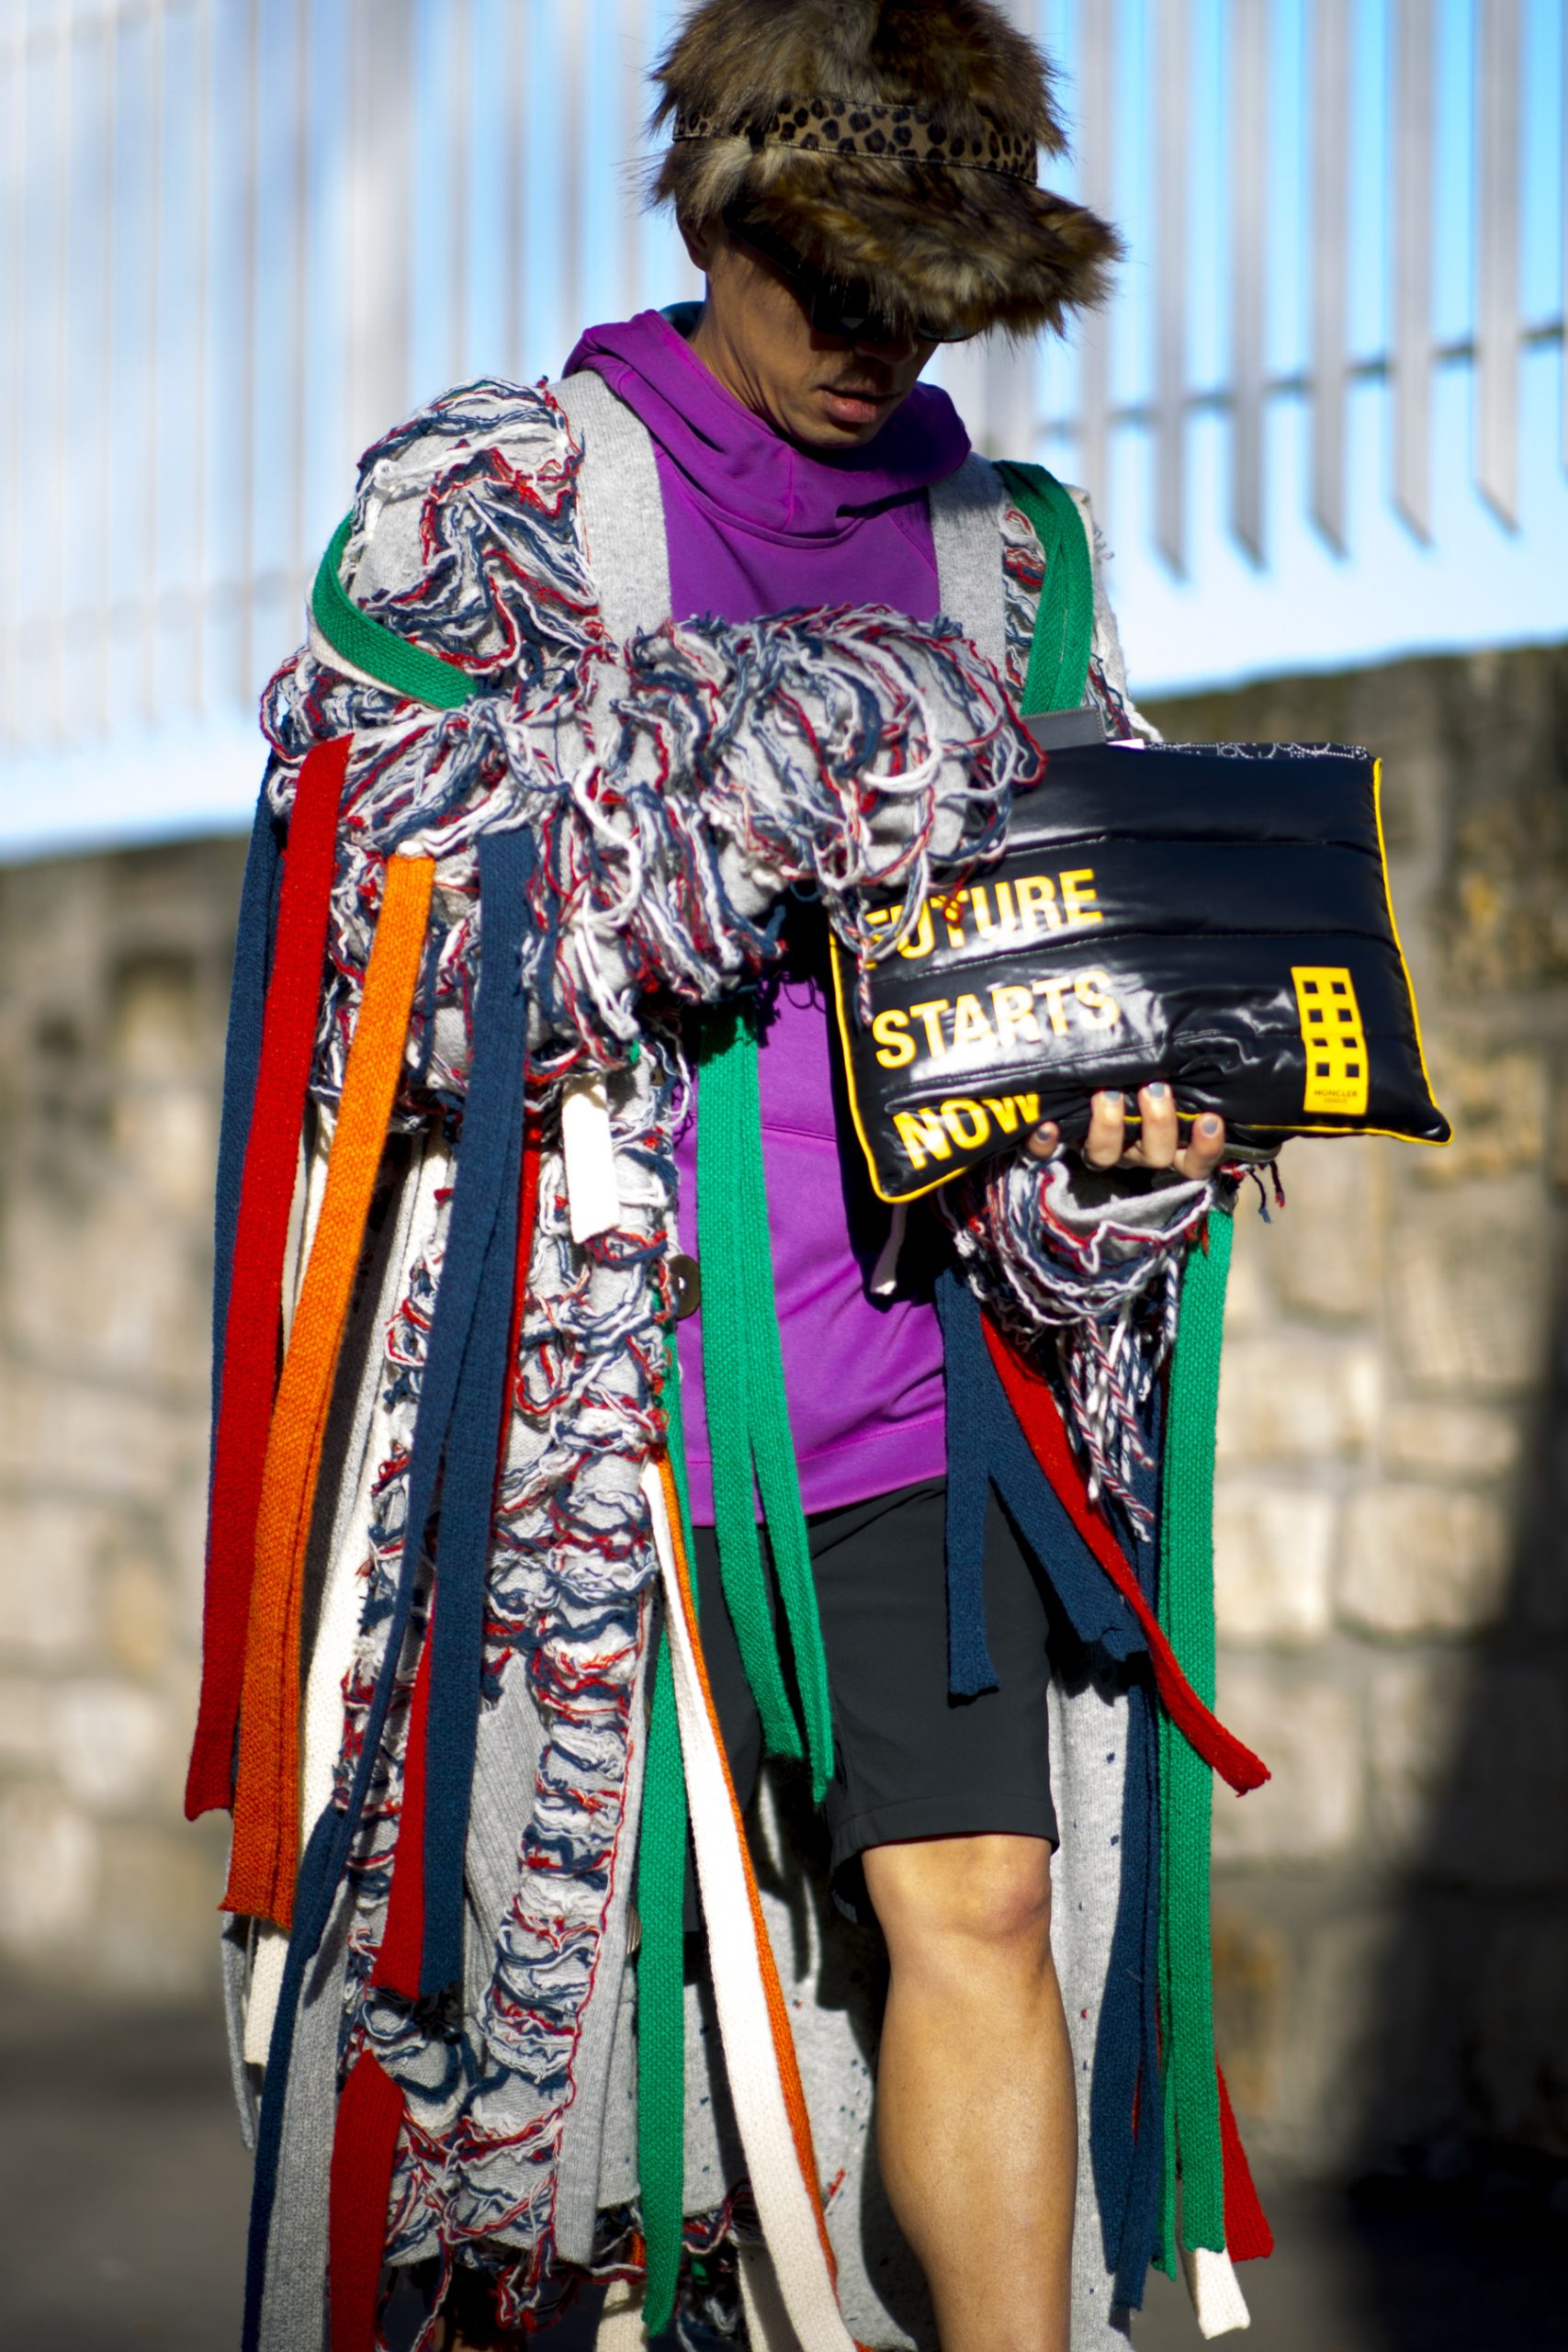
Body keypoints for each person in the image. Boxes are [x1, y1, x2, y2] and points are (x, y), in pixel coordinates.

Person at [190, 6, 1269, 2348]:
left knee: (975, 1898)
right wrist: (780, 747)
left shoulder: (1014, 568)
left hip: (908, 1385)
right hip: (555, 1436)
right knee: (533, 2051)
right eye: (831, 287)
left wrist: (1130, 1140)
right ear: (713, 222)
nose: (875, 347)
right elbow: (384, 942)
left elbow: (1064, 974)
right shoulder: (484, 509)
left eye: (925, 299)